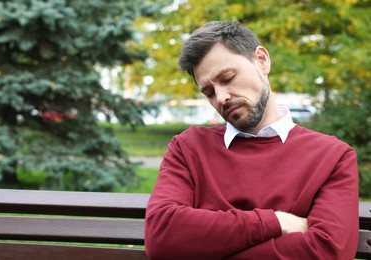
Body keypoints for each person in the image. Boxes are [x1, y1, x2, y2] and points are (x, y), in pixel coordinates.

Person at [144, 21, 359, 260]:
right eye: (209, 92)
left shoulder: (332, 156)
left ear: (262, 60)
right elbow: (162, 235)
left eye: (227, 78)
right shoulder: (188, 147)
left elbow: (327, 252)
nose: (221, 98)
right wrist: (277, 222)